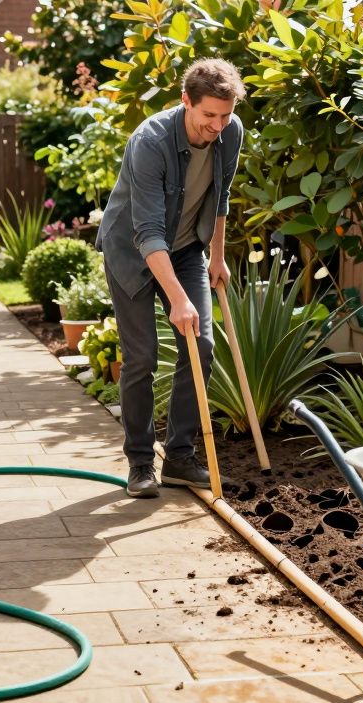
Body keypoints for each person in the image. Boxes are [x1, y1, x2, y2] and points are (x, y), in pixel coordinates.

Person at [96, 58, 245, 498]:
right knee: (140, 357)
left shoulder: (231, 132)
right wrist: (179, 299)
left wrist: (216, 256)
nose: (218, 125)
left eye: (226, 114)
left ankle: (180, 457)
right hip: (133, 251)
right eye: (208, 116)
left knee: (201, 346)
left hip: (184, 250)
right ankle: (141, 463)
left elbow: (221, 197)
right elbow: (147, 232)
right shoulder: (151, 141)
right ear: (186, 102)